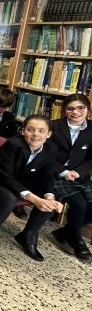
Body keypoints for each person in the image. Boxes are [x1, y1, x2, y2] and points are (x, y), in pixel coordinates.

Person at [0, 115, 63, 264]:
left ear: (48, 134)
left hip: (24, 179)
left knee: (51, 199)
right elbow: (6, 177)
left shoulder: (51, 148)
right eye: (30, 130)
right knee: (9, 199)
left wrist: (49, 197)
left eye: (41, 131)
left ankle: (27, 236)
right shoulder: (13, 144)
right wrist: (34, 198)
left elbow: (47, 175)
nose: (36, 134)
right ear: (23, 131)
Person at [49, 94, 92, 262]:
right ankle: (77, 240)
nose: (76, 112)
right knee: (80, 205)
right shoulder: (53, 126)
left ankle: (64, 232)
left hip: (80, 175)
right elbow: (45, 155)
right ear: (64, 110)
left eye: (81, 107)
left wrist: (79, 172)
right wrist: (63, 172)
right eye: (71, 108)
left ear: (88, 109)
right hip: (55, 174)